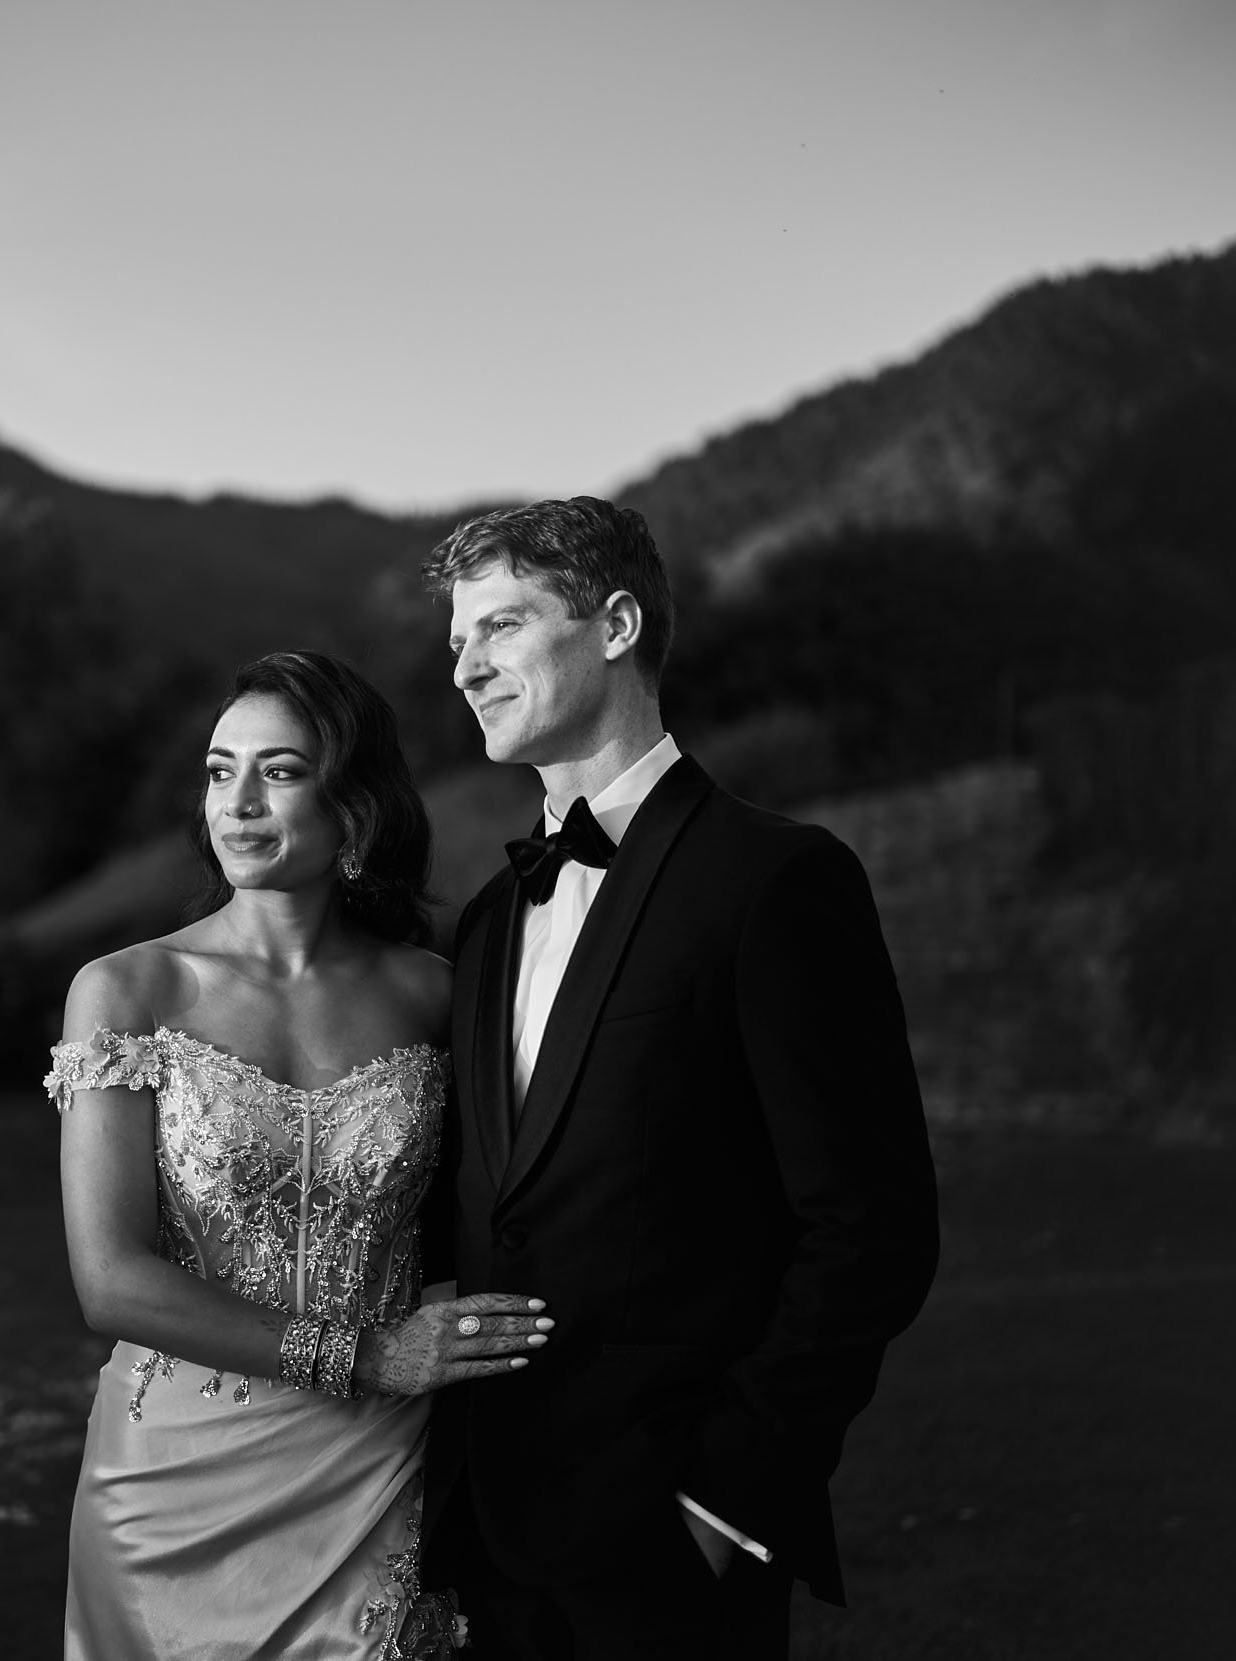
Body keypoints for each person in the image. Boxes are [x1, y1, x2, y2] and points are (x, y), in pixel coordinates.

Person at [417, 498, 941, 1659]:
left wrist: (727, 1499)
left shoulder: (776, 879)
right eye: (457, 640)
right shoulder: (492, 916)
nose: (465, 667)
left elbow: (871, 1225)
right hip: (484, 1535)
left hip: (670, 1542)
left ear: (613, 623)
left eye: (498, 627)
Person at [47, 650, 548, 1660]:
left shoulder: (435, 992)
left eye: (277, 770)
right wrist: (371, 1354)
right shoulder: (128, 990)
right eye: (218, 767)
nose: (236, 800)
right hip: (169, 1490)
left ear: (352, 805)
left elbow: (512, 1196)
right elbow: (108, 1280)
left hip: (378, 1466)